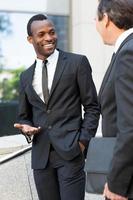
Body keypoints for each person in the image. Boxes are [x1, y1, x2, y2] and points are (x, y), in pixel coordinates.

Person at [14, 14, 99, 200]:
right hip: (41, 158)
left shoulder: (77, 63)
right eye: (41, 34)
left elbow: (92, 106)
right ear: (30, 39)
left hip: (71, 153)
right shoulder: (25, 76)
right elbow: (24, 115)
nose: (48, 38)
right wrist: (26, 127)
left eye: (51, 32)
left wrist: (82, 142)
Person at [95, 0, 133, 200]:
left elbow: (130, 126)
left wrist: (117, 184)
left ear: (107, 19)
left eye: (96, 18)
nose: (95, 24)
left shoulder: (128, 52)